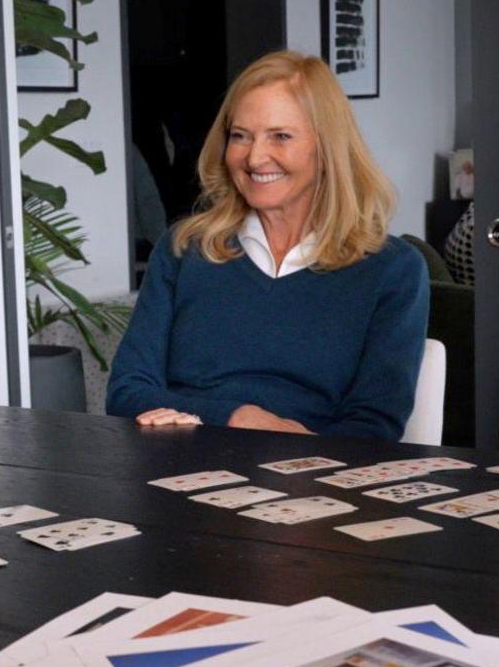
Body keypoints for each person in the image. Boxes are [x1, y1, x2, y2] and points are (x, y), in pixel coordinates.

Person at [105, 51, 430, 438]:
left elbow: (374, 427)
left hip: (313, 483)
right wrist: (237, 417)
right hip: (178, 471)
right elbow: (126, 393)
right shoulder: (184, 248)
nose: (255, 157)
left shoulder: (393, 269)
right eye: (240, 136)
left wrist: (287, 454)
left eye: (281, 136)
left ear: (326, 150)